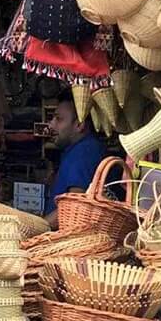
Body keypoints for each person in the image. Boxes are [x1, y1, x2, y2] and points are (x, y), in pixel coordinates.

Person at [45, 93, 107, 228]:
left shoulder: (84, 152)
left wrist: (38, 227)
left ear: (79, 125)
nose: (51, 125)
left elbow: (74, 205)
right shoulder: (79, 149)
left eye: (58, 119)